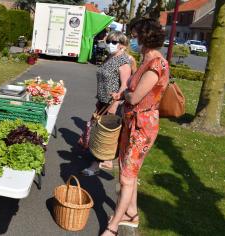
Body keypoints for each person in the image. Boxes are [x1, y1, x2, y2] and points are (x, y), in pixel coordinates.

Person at [102, 18, 169, 236]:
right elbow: (132, 91)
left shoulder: (156, 64)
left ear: (144, 37)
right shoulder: (145, 60)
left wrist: (126, 96)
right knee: (127, 171)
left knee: (126, 177)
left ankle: (113, 226)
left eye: (134, 35)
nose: (131, 40)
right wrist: (123, 94)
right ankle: (131, 214)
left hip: (142, 127)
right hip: (131, 122)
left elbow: (136, 96)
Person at [80, 31, 135, 176]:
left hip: (113, 103)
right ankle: (102, 158)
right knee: (97, 129)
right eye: (109, 41)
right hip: (103, 100)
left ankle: (96, 165)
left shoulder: (124, 62)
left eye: (114, 42)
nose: (110, 45)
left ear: (122, 46)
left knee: (105, 134)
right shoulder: (110, 58)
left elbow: (124, 86)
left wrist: (115, 103)